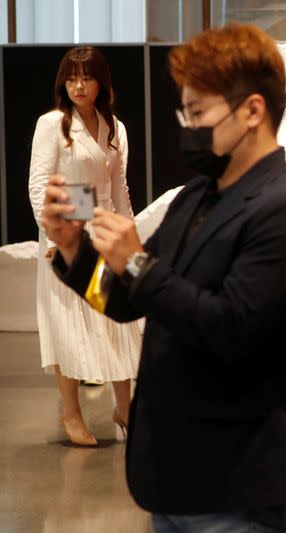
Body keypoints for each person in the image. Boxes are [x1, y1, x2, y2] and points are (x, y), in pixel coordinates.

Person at [40, 23, 286, 533]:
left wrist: (140, 263)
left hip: (235, 482)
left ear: (253, 111)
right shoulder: (196, 196)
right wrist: (74, 251)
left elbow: (232, 327)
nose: (187, 126)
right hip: (171, 478)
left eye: (198, 113)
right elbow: (129, 301)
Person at [28, 46, 140, 447]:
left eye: (87, 77)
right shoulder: (52, 124)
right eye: (71, 77)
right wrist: (56, 234)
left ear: (101, 83)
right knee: (70, 326)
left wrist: (131, 240)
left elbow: (120, 189)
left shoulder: (116, 128)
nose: (78, 85)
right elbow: (39, 186)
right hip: (68, 236)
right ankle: (71, 411)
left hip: (106, 232)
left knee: (118, 320)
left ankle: (125, 408)